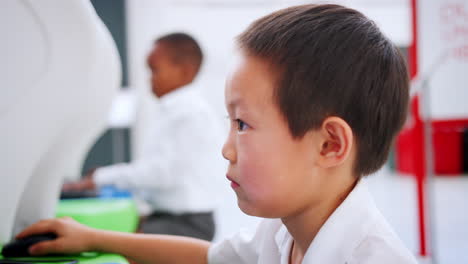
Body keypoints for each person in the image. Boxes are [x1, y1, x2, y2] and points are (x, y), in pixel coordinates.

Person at [16, 4, 417, 264]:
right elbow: (208, 257)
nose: (226, 149)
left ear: (329, 144)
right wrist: (93, 237)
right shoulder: (282, 230)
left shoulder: (371, 257)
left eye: (242, 125)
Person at [62, 33, 223, 241]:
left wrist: (101, 178)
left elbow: (163, 173)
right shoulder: (175, 111)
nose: (149, 79)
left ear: (184, 72)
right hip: (168, 217)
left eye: (154, 70)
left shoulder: (190, 113)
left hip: (186, 223)